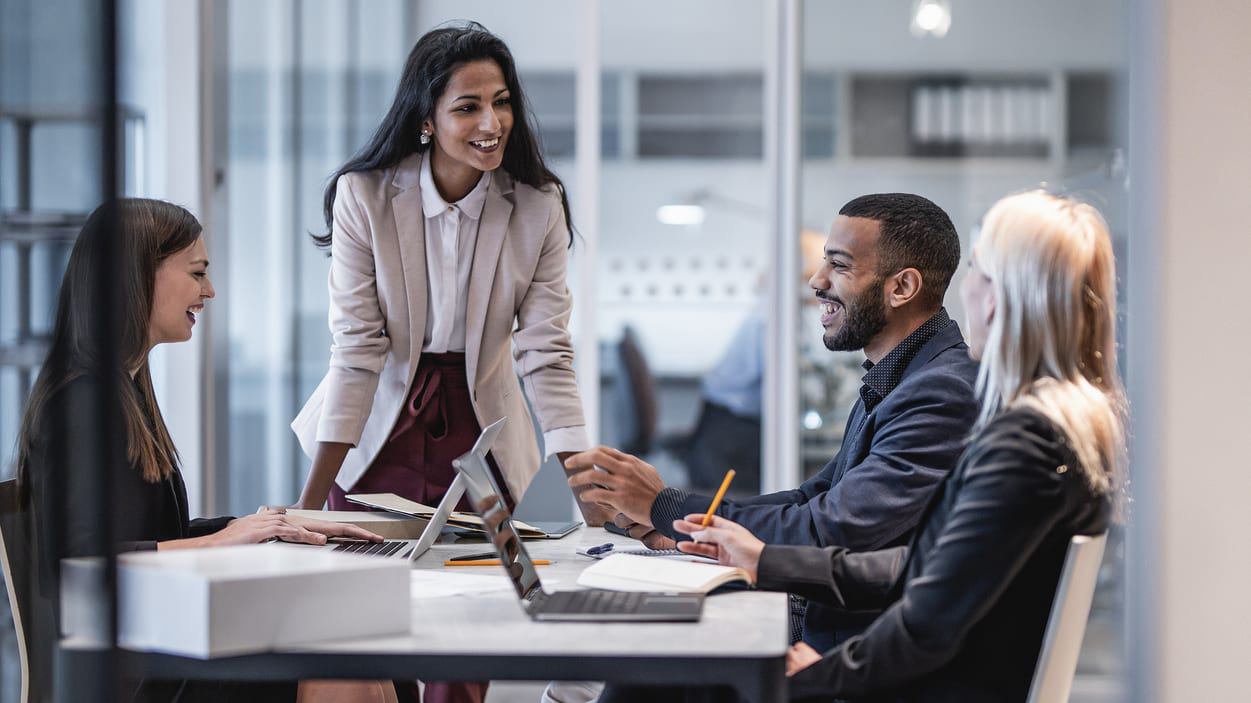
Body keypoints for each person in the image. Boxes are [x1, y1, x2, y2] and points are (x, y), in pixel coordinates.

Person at [607, 190, 1128, 702]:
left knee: (652, 671)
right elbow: (921, 568)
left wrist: (820, 677)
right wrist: (759, 558)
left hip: (920, 687)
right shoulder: (1051, 430)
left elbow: (926, 624)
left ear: (1000, 298)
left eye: (977, 273)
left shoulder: (1023, 443)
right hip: (924, 677)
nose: (965, 289)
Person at [289, 22, 597, 703]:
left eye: (503, 101)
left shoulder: (537, 205)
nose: (492, 122)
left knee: (475, 621)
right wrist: (303, 508)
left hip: (482, 427)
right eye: (468, 106)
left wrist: (580, 473)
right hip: (374, 426)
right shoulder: (364, 196)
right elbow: (357, 350)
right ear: (425, 119)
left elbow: (546, 351)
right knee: (369, 624)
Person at [15, 199, 392, 703]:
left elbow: (145, 540)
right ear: (135, 276)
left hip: (155, 644)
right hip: (135, 672)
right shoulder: (82, 405)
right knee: (342, 665)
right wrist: (223, 541)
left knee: (356, 647)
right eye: (197, 273)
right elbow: (79, 568)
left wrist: (259, 524)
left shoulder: (121, 393)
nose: (208, 291)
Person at [567, 193, 980, 651]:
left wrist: (665, 505)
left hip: (854, 637)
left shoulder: (942, 390)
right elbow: (811, 499)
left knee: (649, 652)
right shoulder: (904, 373)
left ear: (902, 288)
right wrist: (684, 528)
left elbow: (827, 531)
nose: (817, 281)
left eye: (839, 266)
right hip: (838, 613)